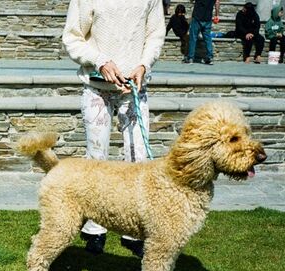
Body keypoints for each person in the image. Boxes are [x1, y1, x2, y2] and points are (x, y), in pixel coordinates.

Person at [62, 0, 165, 256]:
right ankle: (94, 228)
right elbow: (73, 37)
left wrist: (144, 64)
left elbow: (155, 34)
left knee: (137, 160)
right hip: (98, 87)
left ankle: (134, 230)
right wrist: (100, 61)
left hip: (134, 89)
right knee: (97, 161)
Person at [186, 0, 220, 64]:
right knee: (207, 39)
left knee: (193, 38)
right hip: (207, 18)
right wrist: (216, 15)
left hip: (197, 17)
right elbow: (217, 2)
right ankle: (209, 57)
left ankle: (190, 58)